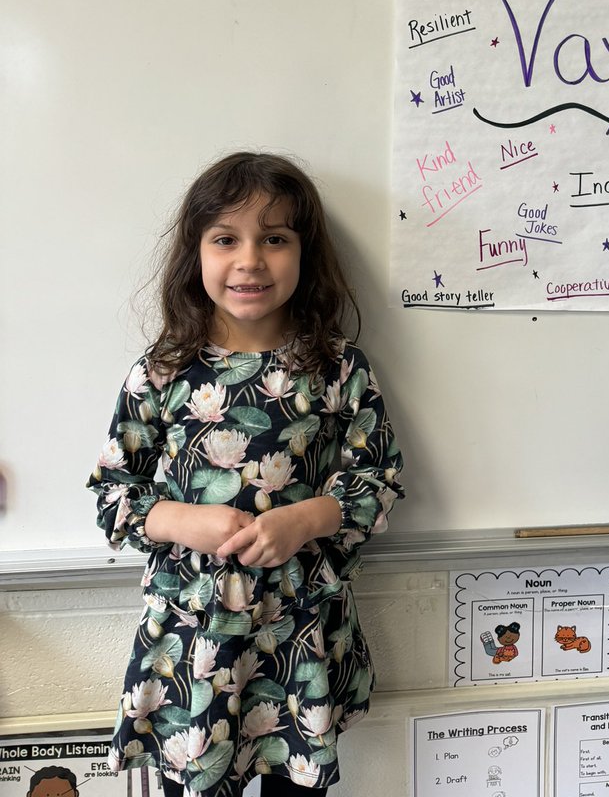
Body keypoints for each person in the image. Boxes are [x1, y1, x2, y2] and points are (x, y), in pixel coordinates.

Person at [87, 151, 404, 797]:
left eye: (275, 239)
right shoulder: (162, 373)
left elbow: (379, 476)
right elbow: (113, 494)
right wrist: (184, 519)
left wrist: (308, 518)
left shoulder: (338, 370)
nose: (250, 260)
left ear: (303, 253)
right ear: (195, 253)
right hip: (194, 643)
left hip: (299, 639)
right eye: (226, 239)